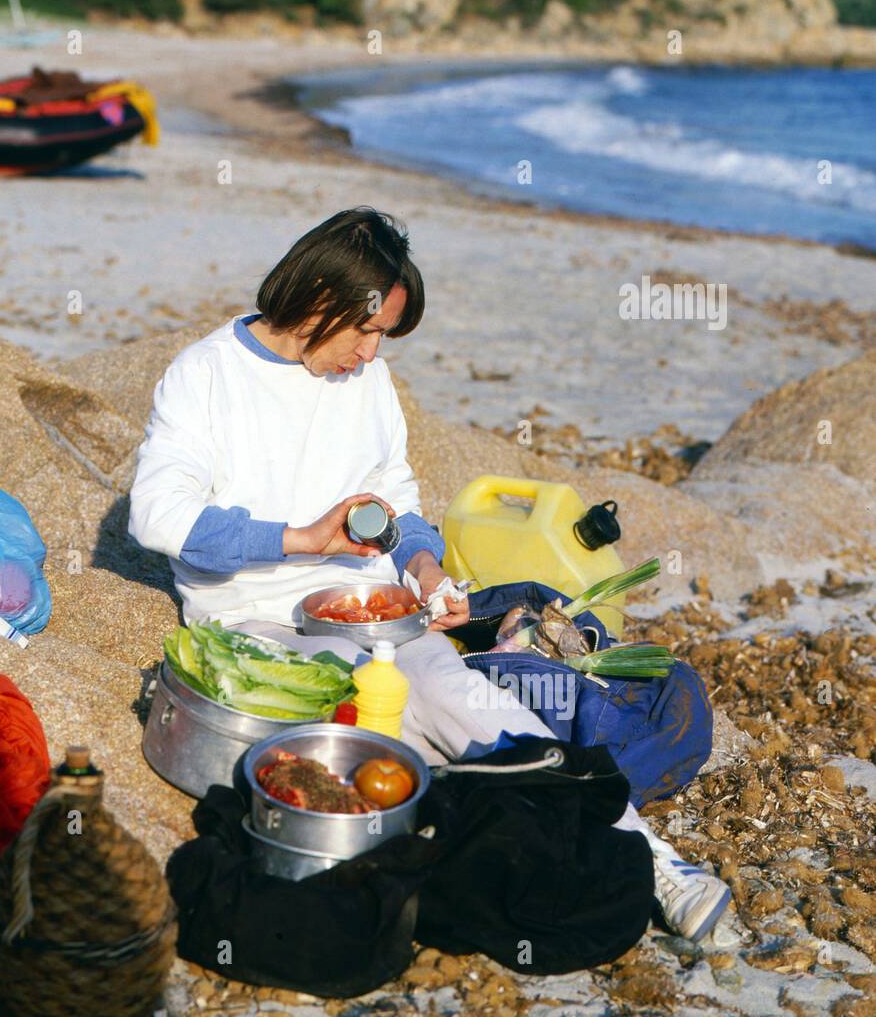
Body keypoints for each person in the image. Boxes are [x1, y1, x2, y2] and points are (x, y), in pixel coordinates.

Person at [129, 206, 732, 943]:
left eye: (384, 335)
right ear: (319, 300)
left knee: (475, 704)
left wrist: (424, 569)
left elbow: (401, 503)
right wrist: (303, 537)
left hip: (374, 607)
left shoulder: (366, 385)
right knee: (399, 721)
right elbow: (157, 516)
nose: (373, 354)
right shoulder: (206, 377)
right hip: (261, 621)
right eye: (368, 330)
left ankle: (650, 856)